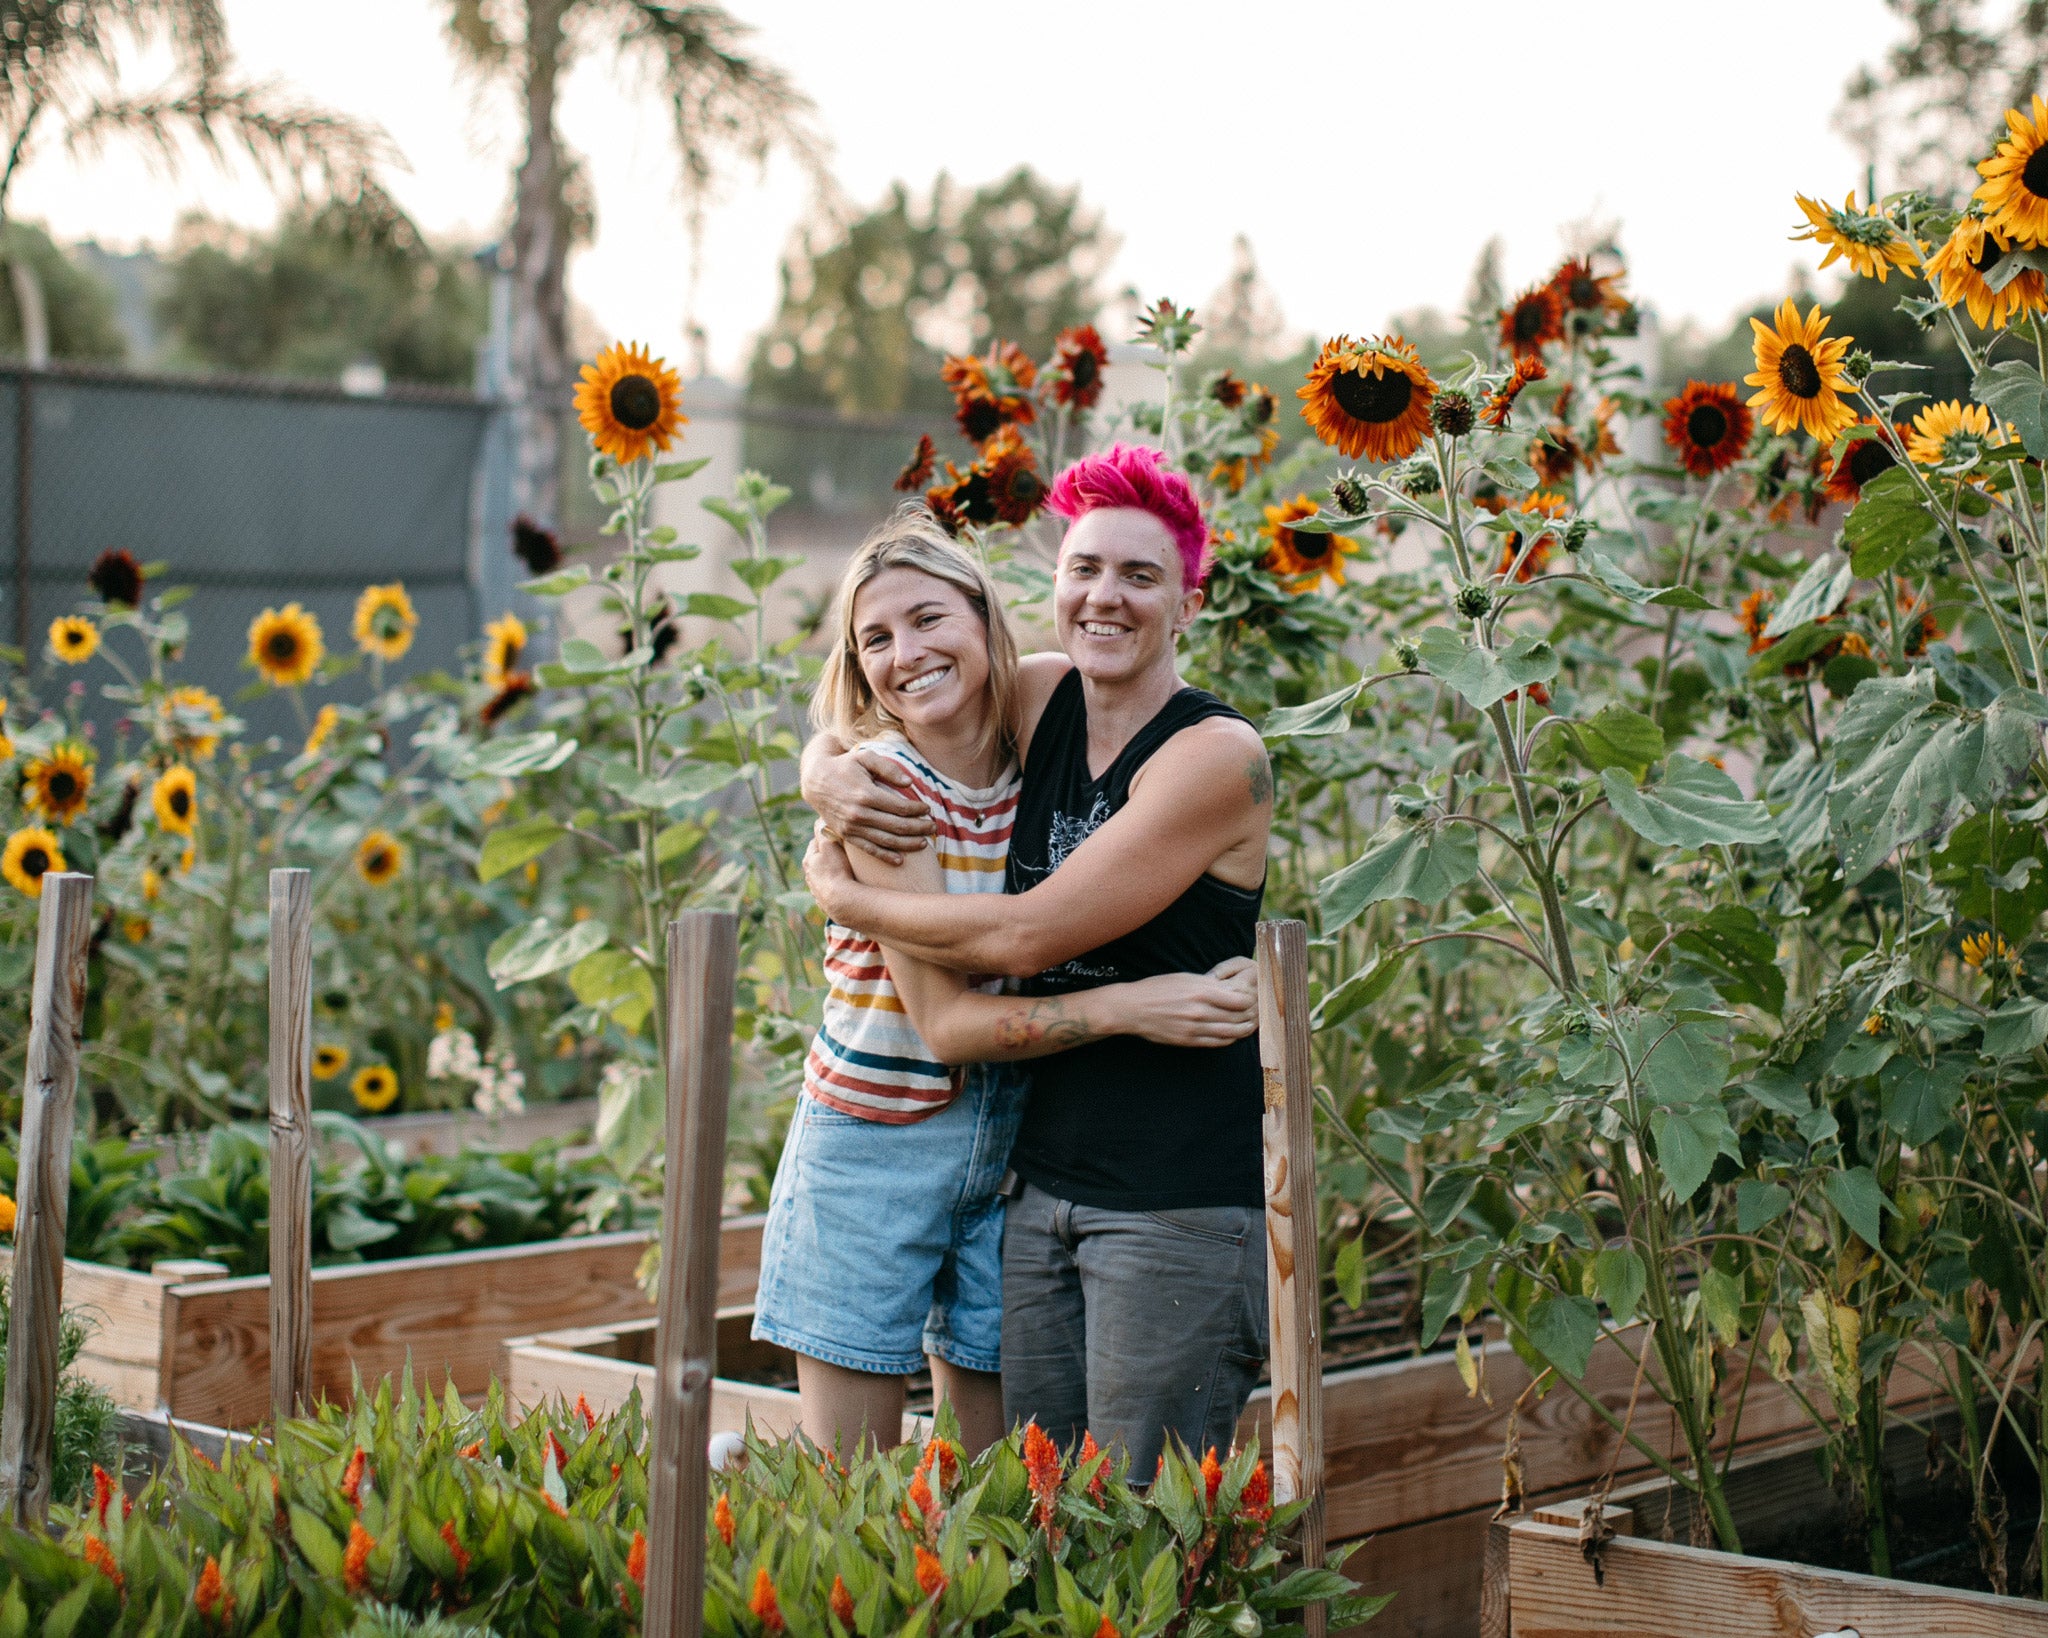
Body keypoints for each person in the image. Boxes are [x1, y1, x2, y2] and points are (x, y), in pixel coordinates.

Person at [801, 445, 1274, 1477]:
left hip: (1171, 1197)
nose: (1105, 597)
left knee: (1150, 1527)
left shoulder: (1213, 758)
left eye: (1139, 576)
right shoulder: (1043, 695)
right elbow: (894, 702)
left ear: (1189, 602)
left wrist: (839, 895)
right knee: (1040, 1525)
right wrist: (822, 779)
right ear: (1053, 588)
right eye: (1084, 569)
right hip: (1035, 1185)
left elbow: (1023, 935)